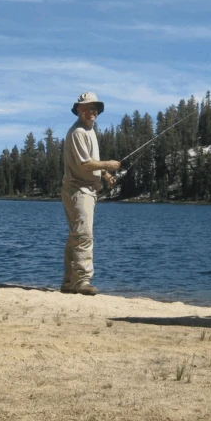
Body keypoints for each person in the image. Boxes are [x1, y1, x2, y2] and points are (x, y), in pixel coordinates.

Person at [61, 92, 121, 296]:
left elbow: (90, 160)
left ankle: (69, 282)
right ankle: (82, 281)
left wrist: (104, 174)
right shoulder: (78, 132)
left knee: (76, 236)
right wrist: (108, 164)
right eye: (88, 107)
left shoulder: (89, 131)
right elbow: (84, 164)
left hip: (86, 190)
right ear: (79, 109)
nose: (92, 111)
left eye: (95, 107)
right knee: (84, 235)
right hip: (78, 189)